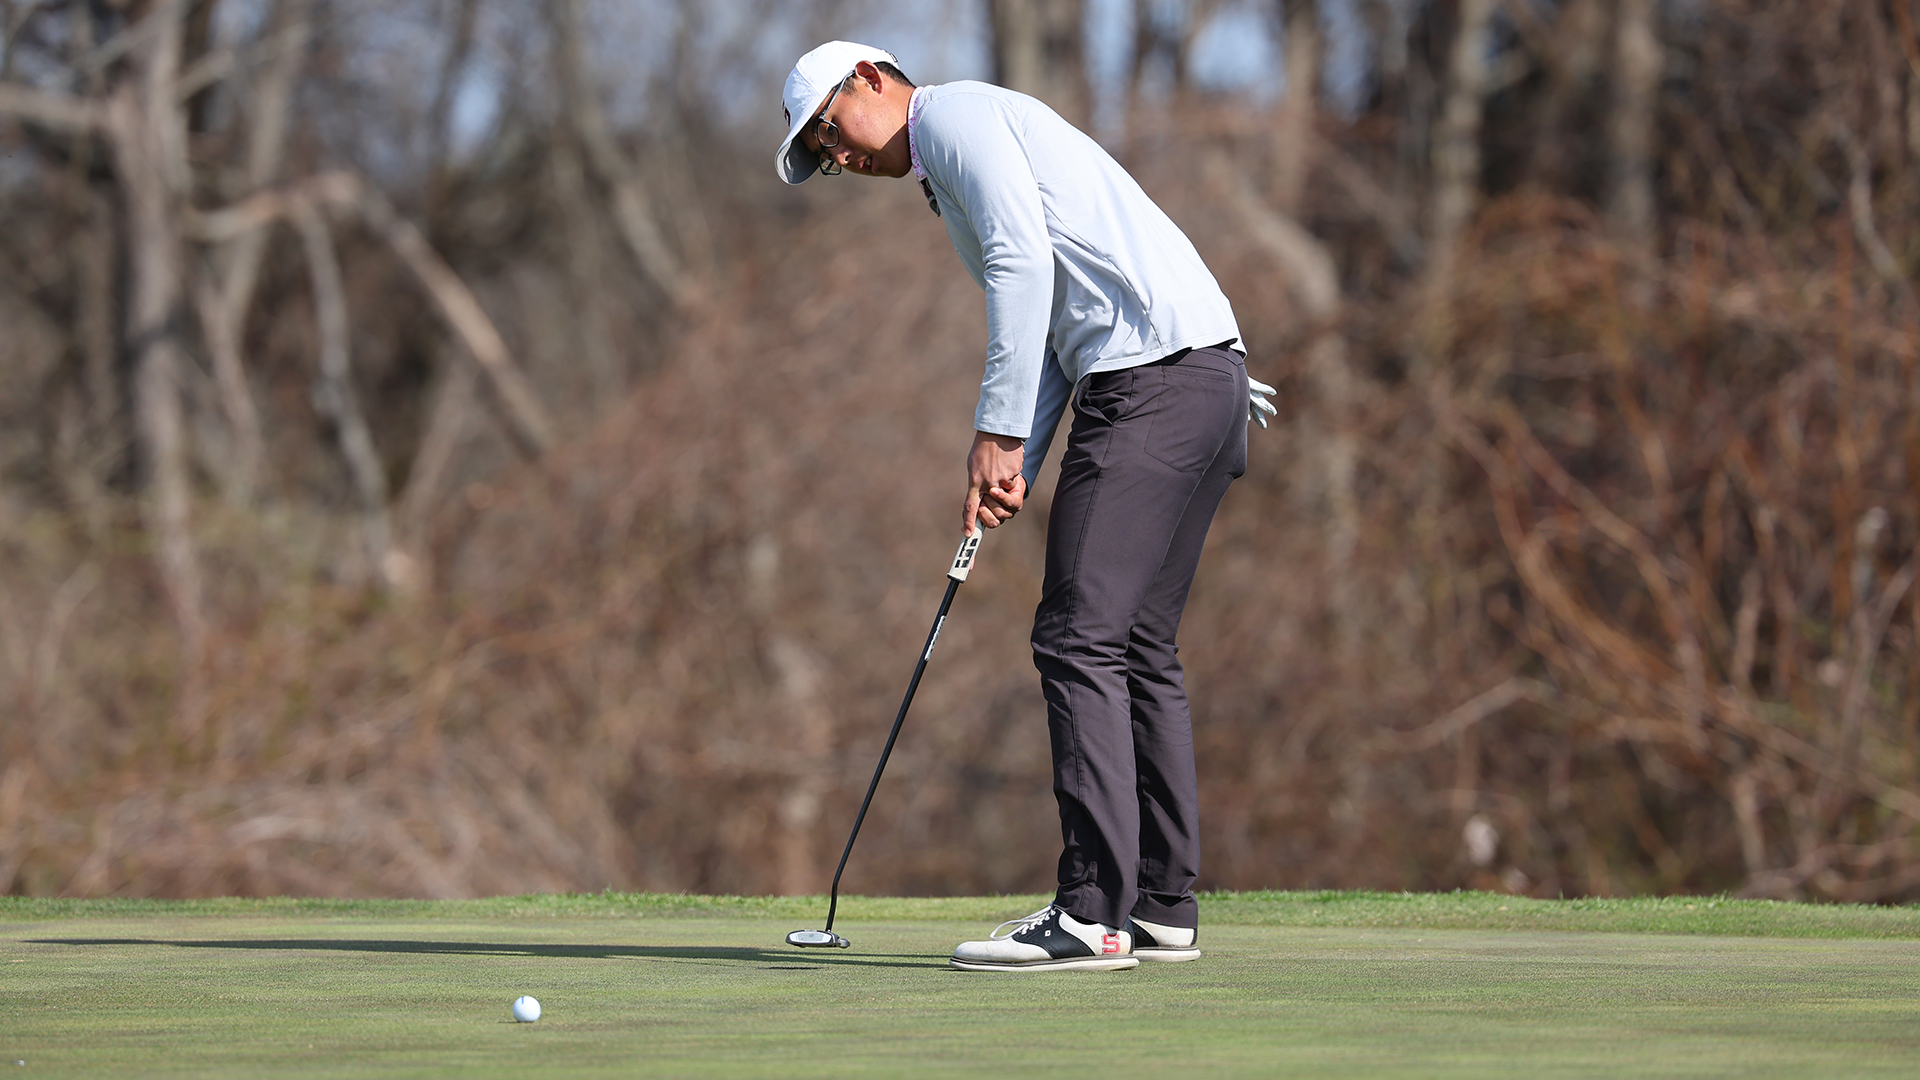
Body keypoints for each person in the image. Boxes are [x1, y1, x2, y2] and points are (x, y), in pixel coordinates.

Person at [775, 41, 1274, 972]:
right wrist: (1014, 463)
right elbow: (1049, 319)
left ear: (871, 80)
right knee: (1135, 645)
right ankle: (1163, 905)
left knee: (1076, 637)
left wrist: (994, 431)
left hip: (1152, 382)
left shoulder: (953, 119)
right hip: (1205, 376)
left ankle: (1092, 912)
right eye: (820, 153)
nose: (835, 157)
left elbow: (1019, 266)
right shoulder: (960, 150)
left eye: (829, 131)